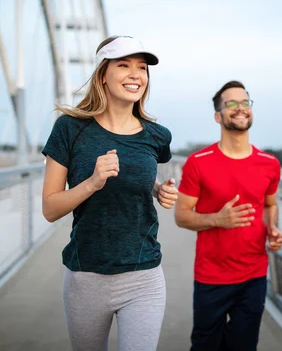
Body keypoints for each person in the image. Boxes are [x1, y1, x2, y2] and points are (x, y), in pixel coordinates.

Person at [41, 35, 179, 351]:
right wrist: (92, 182)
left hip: (144, 275)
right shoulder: (70, 129)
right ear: (104, 73)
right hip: (86, 277)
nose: (135, 75)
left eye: (142, 68)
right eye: (124, 65)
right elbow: (50, 208)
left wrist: (159, 190)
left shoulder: (157, 135)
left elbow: (140, 178)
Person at [174, 80, 282, 351]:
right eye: (232, 103)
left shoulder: (269, 164)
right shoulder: (198, 162)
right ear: (218, 115)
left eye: (246, 102)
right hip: (211, 277)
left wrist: (272, 229)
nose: (241, 108)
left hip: (254, 276)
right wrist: (217, 219)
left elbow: (270, 206)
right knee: (205, 346)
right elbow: (181, 216)